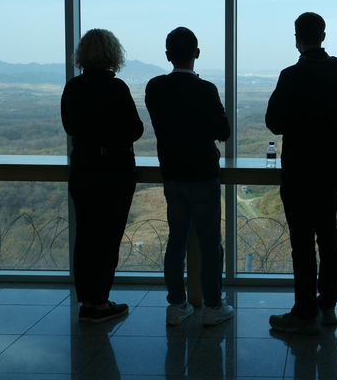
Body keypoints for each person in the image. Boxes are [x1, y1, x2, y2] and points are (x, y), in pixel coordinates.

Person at [266, 12, 337, 334]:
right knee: (328, 237)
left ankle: (303, 314)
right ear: (324, 36)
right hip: (331, 169)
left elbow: (274, 122)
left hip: (300, 170)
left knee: (302, 243)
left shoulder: (291, 76)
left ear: (297, 39)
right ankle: (327, 307)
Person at [145, 26, 235, 326]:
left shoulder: (154, 88)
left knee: (176, 241)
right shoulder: (205, 90)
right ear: (196, 54)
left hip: (172, 175)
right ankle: (212, 306)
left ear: (168, 55)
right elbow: (222, 131)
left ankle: (176, 306)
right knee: (211, 244)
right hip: (203, 175)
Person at [61, 28, 144, 323]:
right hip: (115, 171)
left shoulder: (73, 87)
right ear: (113, 55)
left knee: (85, 236)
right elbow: (135, 129)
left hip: (82, 169)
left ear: (82, 54)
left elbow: (70, 127)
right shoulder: (117, 88)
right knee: (108, 237)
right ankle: (101, 302)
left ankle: (87, 302)